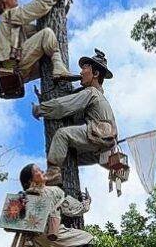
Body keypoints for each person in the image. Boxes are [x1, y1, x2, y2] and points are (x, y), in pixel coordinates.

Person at [32, 49, 118, 184]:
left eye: (85, 69)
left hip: (97, 135)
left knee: (62, 134)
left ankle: (53, 173)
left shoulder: (91, 92)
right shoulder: (98, 96)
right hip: (102, 148)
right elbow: (75, 116)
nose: (81, 72)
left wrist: (41, 108)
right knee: (69, 156)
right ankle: (58, 178)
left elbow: (64, 106)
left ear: (95, 73)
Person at [0, 0, 73, 84]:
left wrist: (61, 14)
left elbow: (37, 31)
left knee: (46, 55)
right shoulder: (7, 16)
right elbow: (36, 8)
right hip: (14, 66)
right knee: (46, 33)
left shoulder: (12, 23)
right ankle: (59, 68)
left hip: (18, 70)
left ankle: (57, 71)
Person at [19, 162, 91, 247]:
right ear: (31, 180)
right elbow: (72, 209)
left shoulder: (23, 198)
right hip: (53, 238)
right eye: (38, 171)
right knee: (88, 238)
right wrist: (86, 202)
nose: (42, 171)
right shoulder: (53, 191)